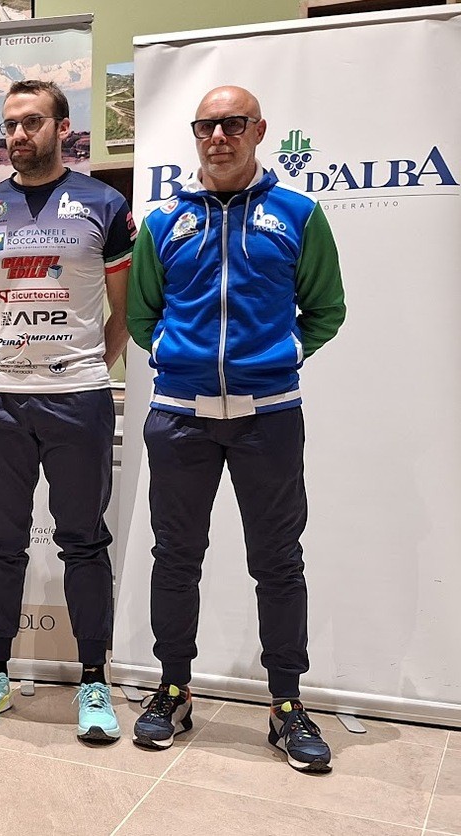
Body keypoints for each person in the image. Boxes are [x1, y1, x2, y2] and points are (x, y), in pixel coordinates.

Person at [127, 85, 346, 772]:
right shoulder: (164, 222)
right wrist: (177, 356)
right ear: (195, 135)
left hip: (269, 418)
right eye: (206, 126)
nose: (218, 136)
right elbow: (141, 316)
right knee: (175, 558)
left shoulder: (299, 215)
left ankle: (286, 704)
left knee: (278, 562)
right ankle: (173, 688)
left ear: (258, 130)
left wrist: (279, 357)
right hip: (179, 418)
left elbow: (326, 309)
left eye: (232, 124)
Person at [0, 80, 134, 741]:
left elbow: (124, 309)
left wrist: (85, 365)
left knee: (83, 541)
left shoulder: (104, 205)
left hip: (77, 396)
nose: (18, 135)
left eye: (31, 122)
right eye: (9, 124)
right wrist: (8, 364)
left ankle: (93, 680)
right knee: (0, 543)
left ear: (63, 128)